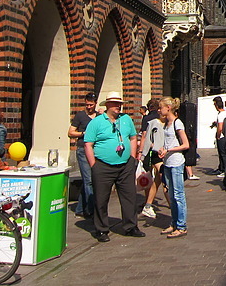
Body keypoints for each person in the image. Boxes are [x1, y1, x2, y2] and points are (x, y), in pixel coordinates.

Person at [84, 91, 145, 242]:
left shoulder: (126, 119)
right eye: (116, 104)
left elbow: (132, 137)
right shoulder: (96, 122)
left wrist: (132, 157)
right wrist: (94, 165)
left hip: (125, 165)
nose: (119, 107)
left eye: (120, 104)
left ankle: (131, 226)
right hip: (103, 166)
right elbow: (88, 144)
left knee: (129, 196)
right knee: (101, 198)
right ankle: (101, 229)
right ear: (108, 105)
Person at [158, 97, 189, 238]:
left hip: (176, 162)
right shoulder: (166, 124)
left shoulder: (178, 123)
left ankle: (181, 226)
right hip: (167, 162)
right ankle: (174, 222)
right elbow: (169, 142)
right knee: (171, 194)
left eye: (161, 107)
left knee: (178, 194)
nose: (159, 110)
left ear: (168, 108)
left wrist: (169, 150)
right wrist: (163, 149)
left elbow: (185, 144)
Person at [68, 93, 98, 218]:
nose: (89, 107)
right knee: (89, 180)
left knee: (91, 180)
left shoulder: (100, 117)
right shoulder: (80, 115)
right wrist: (83, 133)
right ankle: (91, 210)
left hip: (96, 150)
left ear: (95, 103)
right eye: (87, 105)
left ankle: (80, 208)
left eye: (91, 105)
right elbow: (70, 132)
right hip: (83, 149)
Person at [139, 99, 167, 219]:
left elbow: (145, 136)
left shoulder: (170, 122)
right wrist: (143, 153)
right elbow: (147, 138)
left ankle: (148, 204)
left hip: (163, 154)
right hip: (157, 154)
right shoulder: (154, 122)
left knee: (157, 180)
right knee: (163, 178)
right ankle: (174, 207)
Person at [210, 96, 226, 177]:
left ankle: (224, 170)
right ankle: (221, 168)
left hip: (221, 137)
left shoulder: (221, 115)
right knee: (223, 153)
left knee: (222, 153)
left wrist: (218, 135)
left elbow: (220, 127)